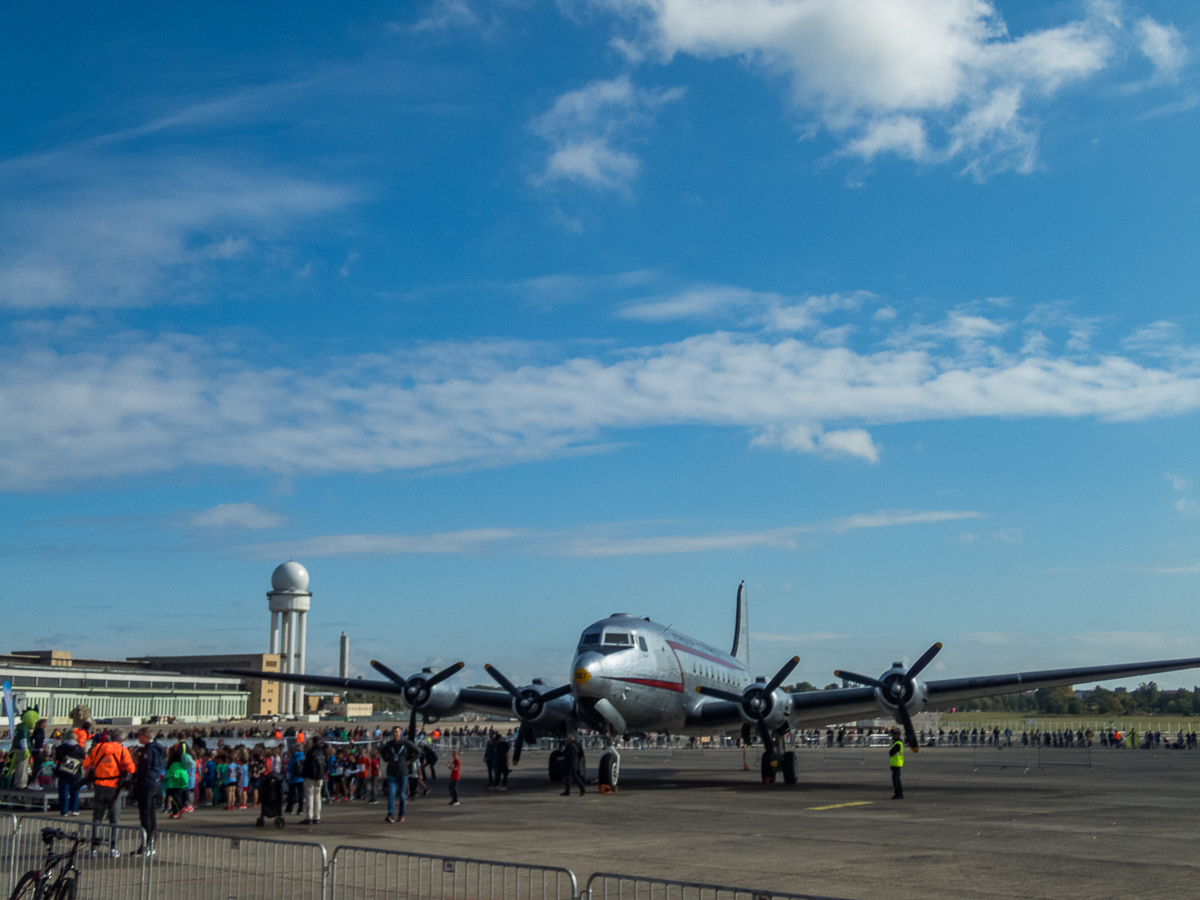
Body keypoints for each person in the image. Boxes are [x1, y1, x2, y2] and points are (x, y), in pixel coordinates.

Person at [84, 729, 135, 857]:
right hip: (114, 788)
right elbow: (131, 769)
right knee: (114, 820)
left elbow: (86, 763)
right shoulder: (123, 751)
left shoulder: (98, 748)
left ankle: (93, 849)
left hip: (99, 786)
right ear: (122, 740)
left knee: (96, 819)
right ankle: (112, 849)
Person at [132, 727, 165, 855]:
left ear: (145, 736)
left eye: (139, 735)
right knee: (150, 815)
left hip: (147, 784)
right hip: (153, 783)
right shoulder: (153, 748)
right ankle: (149, 844)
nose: (138, 738)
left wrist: (140, 779)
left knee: (146, 815)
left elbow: (147, 766)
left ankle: (148, 844)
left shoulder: (150, 749)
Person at [379, 727, 418, 823]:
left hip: (402, 772)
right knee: (391, 794)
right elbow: (382, 751)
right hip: (392, 772)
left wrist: (410, 761)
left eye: (397, 732)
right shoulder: (390, 744)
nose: (395, 733)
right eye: (393, 732)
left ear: (400, 733)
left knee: (401, 795)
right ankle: (390, 814)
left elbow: (418, 751)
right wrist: (386, 759)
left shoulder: (405, 743)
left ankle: (401, 815)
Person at [54, 730, 86, 817]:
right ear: (76, 739)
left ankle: (64, 811)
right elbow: (83, 759)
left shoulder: (60, 748)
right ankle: (74, 810)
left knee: (63, 792)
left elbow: (57, 758)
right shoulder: (79, 748)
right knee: (75, 791)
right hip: (75, 773)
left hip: (63, 772)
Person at [300, 737, 327, 825]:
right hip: (320, 777)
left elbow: (306, 765)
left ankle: (309, 817)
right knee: (318, 797)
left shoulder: (310, 752)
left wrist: (304, 775)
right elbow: (326, 765)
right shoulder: (323, 752)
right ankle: (317, 816)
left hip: (310, 777)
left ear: (313, 742)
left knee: (309, 797)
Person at [889, 729, 904, 799]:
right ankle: (900, 793)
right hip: (898, 763)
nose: (892, 736)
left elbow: (891, 752)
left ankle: (898, 794)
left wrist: (891, 751)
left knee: (895, 780)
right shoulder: (899, 743)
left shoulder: (897, 743)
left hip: (896, 764)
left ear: (896, 735)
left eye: (893, 735)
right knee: (897, 779)